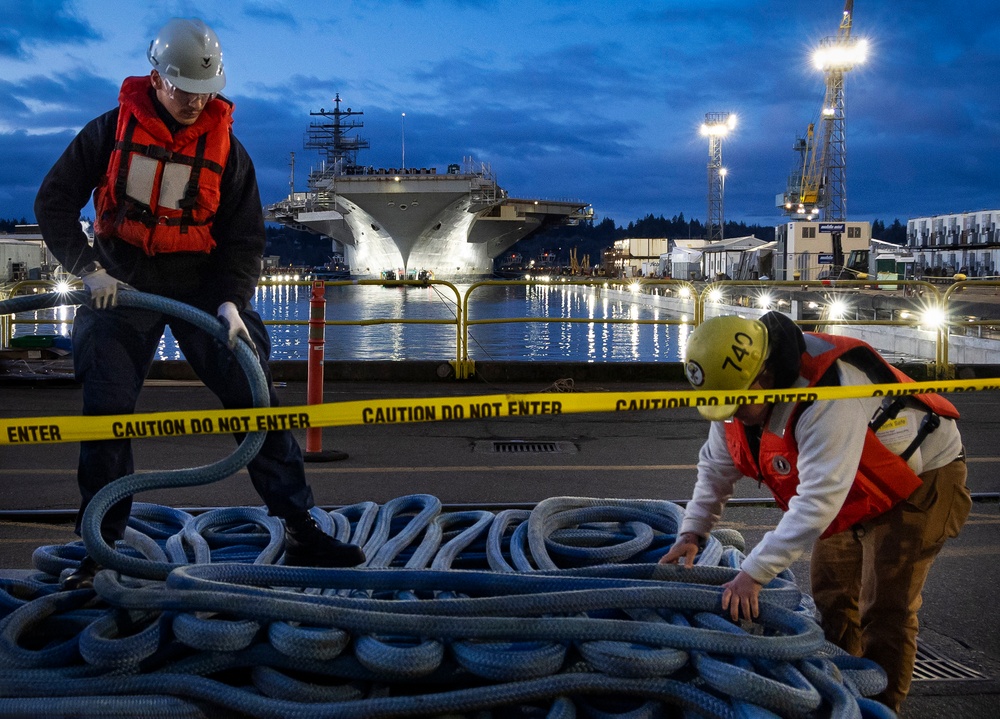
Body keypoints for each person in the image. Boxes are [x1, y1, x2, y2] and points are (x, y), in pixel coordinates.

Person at [34, 18, 365, 589]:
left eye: (204, 90)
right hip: (121, 281)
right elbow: (53, 201)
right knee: (106, 411)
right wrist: (87, 270)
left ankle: (298, 524)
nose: (194, 100)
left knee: (254, 395)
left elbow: (244, 240)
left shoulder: (228, 152)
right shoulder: (109, 131)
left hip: (204, 286)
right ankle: (103, 544)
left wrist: (234, 303)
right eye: (183, 87)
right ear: (156, 78)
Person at [659, 311, 971, 712]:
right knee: (833, 596)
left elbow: (818, 500)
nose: (731, 414)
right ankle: (838, 697)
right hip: (851, 485)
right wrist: (692, 533)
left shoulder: (828, 395)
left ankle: (882, 707)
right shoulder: (737, 394)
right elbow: (717, 467)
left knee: (886, 607)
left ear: (766, 376)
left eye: (736, 403)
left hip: (921, 477)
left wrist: (752, 575)